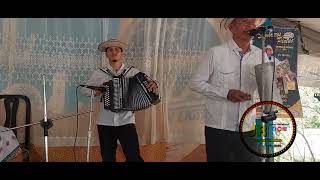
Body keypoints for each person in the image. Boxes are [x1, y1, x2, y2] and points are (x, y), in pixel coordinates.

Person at [190, 18, 270, 162]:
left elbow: (268, 89)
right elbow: (195, 83)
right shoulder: (215, 53)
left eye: (253, 23)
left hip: (249, 127)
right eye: (245, 21)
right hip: (219, 128)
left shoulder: (261, 55)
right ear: (231, 27)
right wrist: (226, 93)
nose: (250, 26)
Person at [81, 39, 159, 162]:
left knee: (134, 157)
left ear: (122, 53)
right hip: (105, 122)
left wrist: (154, 84)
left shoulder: (133, 72)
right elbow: (84, 90)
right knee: (107, 158)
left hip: (127, 120)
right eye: (110, 50)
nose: (114, 52)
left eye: (117, 49)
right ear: (106, 54)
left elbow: (150, 83)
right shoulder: (99, 73)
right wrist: (96, 91)